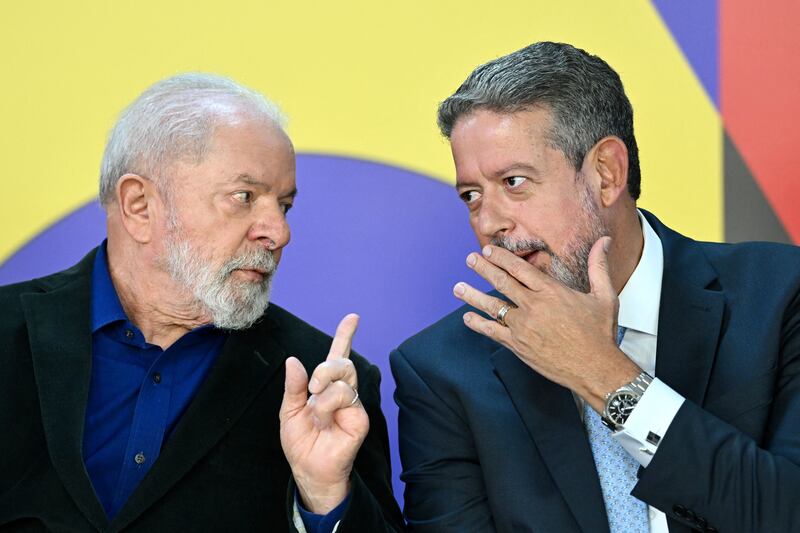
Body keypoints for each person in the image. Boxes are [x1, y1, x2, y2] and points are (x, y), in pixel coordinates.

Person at [391, 41, 800, 533]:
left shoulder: (779, 295)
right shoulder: (442, 369)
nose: (490, 221)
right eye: (472, 195)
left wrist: (602, 374)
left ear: (607, 173)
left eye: (515, 181)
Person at [0, 73, 403, 532]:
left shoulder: (322, 383)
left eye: (284, 206)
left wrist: (325, 493)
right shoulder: (7, 330)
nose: (278, 232)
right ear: (139, 206)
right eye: (243, 197)